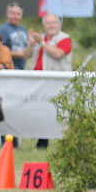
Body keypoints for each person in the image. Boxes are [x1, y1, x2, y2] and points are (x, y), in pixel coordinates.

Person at [23, 13, 73, 148]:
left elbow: (58, 54)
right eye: (48, 23)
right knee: (40, 112)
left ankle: (65, 141)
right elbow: (26, 55)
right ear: (44, 26)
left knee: (58, 112)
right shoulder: (41, 39)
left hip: (56, 82)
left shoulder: (65, 39)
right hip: (38, 82)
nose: (51, 26)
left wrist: (42, 43)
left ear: (59, 25)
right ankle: (42, 141)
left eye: (54, 23)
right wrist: (31, 44)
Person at [0, 1, 28, 70]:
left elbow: (26, 49)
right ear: (7, 13)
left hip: (22, 68)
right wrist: (15, 54)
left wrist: (32, 43)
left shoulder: (23, 29)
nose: (15, 16)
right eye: (13, 13)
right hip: (8, 68)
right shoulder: (3, 29)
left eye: (18, 14)